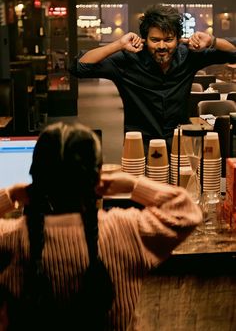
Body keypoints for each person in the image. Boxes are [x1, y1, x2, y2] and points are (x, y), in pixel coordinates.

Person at [0, 121, 202, 331]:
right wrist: (132, 184)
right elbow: (186, 211)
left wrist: (11, 195)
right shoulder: (126, 230)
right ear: (97, 178)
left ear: (35, 178)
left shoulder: (11, 239)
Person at [69, 3, 236, 155]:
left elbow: (233, 53)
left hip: (180, 140)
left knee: (183, 187)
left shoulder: (188, 56)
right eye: (155, 40)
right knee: (141, 188)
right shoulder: (128, 59)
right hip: (140, 142)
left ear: (178, 39)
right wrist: (118, 44)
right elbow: (78, 67)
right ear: (145, 39)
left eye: (168, 40)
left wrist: (213, 40)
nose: (162, 46)